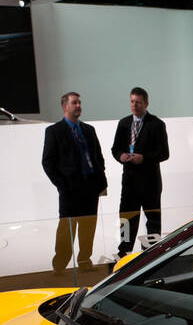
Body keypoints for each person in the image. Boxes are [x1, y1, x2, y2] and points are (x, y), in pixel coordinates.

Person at [42, 91, 107, 274]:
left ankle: (85, 261)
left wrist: (101, 182)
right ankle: (60, 265)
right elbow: (47, 161)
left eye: (79, 102)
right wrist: (61, 184)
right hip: (69, 189)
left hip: (90, 187)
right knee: (66, 229)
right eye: (74, 103)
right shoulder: (54, 131)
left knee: (88, 227)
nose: (78, 106)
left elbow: (98, 157)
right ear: (65, 107)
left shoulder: (88, 130)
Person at [110, 86, 168, 261]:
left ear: (146, 103)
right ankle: (124, 253)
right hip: (129, 182)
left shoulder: (156, 124)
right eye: (132, 101)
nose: (134, 105)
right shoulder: (124, 123)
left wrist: (144, 158)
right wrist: (121, 156)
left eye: (138, 102)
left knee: (153, 220)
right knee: (127, 220)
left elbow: (164, 153)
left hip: (150, 182)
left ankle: (150, 255)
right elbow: (115, 149)